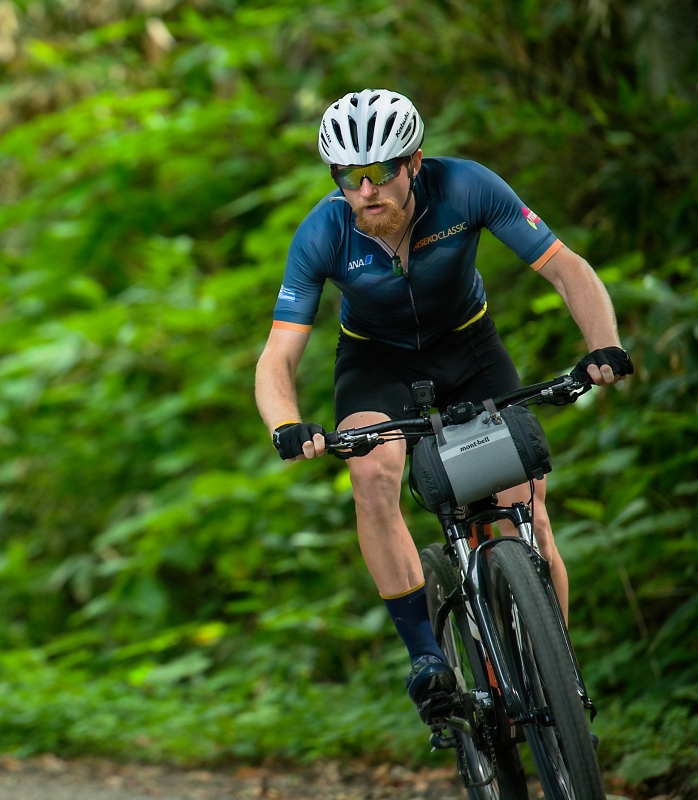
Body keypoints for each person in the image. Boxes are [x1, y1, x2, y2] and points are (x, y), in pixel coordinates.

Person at [253, 89, 633, 723]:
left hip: (470, 349)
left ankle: (558, 678)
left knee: (527, 513)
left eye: (382, 171)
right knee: (372, 475)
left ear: (415, 162)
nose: (367, 188)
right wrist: (286, 425)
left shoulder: (466, 188)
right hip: (377, 363)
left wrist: (604, 346)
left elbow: (566, 267)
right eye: (350, 175)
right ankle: (428, 657)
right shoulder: (323, 231)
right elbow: (277, 357)